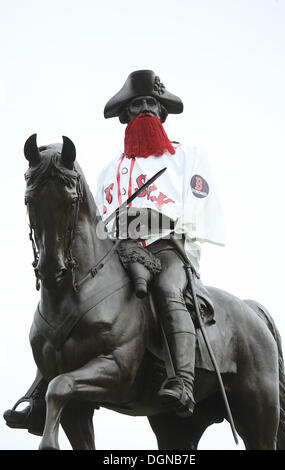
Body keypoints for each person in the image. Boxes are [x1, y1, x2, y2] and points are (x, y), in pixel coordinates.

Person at [3, 70, 225, 434]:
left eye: (151, 104)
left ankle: (182, 381)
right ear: (125, 116)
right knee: (71, 297)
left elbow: (200, 206)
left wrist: (171, 230)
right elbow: (95, 222)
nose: (145, 111)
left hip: (166, 246)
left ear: (162, 113)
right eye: (137, 105)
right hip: (120, 250)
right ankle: (40, 391)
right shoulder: (111, 170)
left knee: (168, 290)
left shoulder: (188, 157)